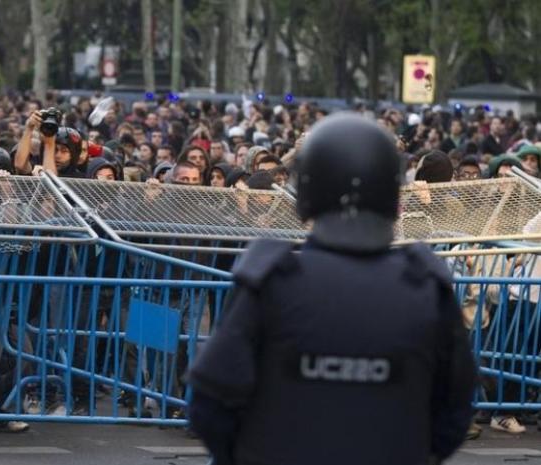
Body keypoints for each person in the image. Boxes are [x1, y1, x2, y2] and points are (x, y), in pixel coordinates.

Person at [187, 113, 475, 465]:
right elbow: (455, 411)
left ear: (307, 191)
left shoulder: (271, 280)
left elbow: (210, 402)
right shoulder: (426, 287)